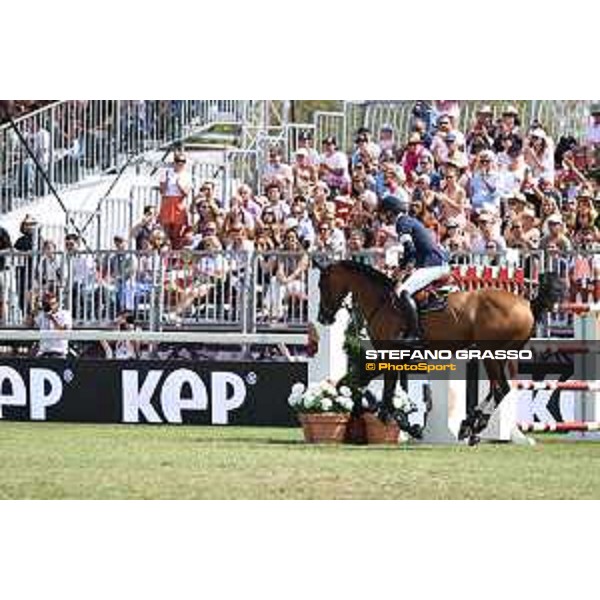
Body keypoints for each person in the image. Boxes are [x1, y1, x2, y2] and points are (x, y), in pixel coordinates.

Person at [380, 195, 449, 341]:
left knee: (402, 292)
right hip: (431, 263)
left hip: (432, 265)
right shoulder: (407, 221)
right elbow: (413, 252)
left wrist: (400, 270)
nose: (382, 216)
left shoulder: (401, 224)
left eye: (383, 213)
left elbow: (410, 251)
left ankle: (415, 334)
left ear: (390, 212)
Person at [158, 150, 191, 249]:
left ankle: (175, 254)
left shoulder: (187, 175)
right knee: (166, 232)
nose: (180, 163)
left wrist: (179, 184)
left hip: (179, 202)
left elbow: (186, 193)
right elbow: (162, 191)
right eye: (177, 161)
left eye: (183, 161)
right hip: (167, 201)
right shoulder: (167, 173)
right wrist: (166, 183)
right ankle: (167, 252)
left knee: (177, 232)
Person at [32, 291, 73, 358]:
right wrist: (34, 310)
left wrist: (52, 318)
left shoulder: (65, 314)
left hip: (59, 353)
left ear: (57, 304)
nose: (50, 306)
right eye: (46, 304)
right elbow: (29, 324)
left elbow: (64, 331)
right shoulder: (42, 315)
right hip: (43, 353)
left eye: (52, 304)